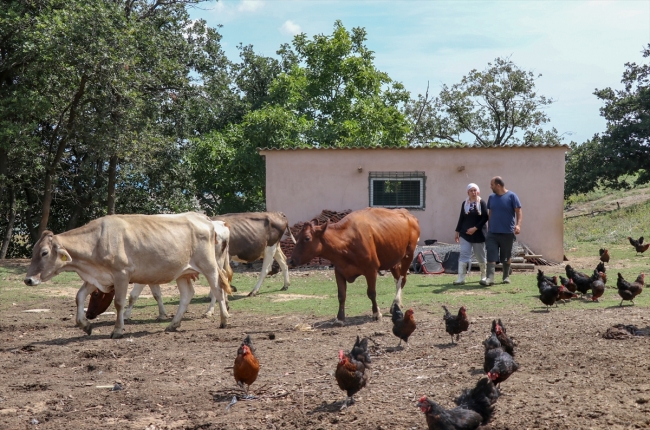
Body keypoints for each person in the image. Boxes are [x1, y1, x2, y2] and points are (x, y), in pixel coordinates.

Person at [479, 176, 523, 286]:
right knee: (491, 254)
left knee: (506, 256)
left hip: (507, 232)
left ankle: (506, 276)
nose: (490, 187)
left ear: (498, 185)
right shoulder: (491, 197)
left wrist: (518, 225)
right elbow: (490, 213)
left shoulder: (512, 196)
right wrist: (489, 228)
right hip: (492, 233)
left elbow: (519, 211)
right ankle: (490, 278)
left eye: (492, 184)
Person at [453, 183, 489, 285]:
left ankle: (483, 276)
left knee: (480, 256)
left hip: (479, 234)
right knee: (464, 254)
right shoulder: (465, 203)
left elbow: (485, 217)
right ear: (468, 192)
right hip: (465, 234)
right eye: (471, 191)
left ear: (478, 192)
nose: (473, 192)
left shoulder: (482, 203)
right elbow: (461, 218)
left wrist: (475, 228)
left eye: (475, 190)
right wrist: (457, 231)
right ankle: (461, 278)